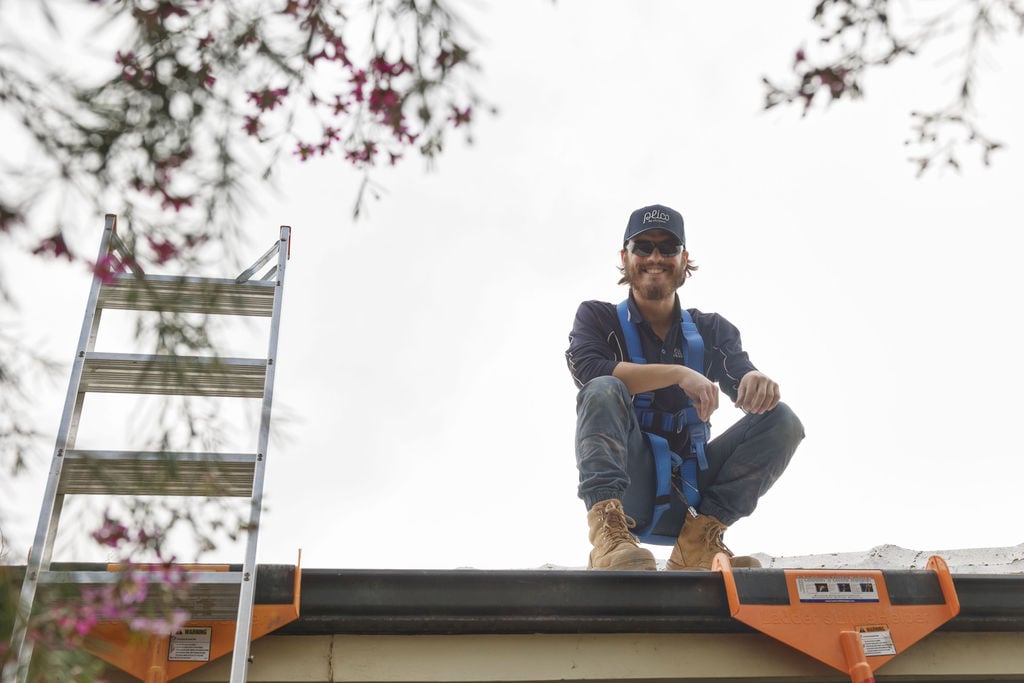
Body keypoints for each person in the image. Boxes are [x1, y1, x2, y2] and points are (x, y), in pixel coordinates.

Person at [565, 204, 804, 571]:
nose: (655, 257)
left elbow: (739, 375)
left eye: (668, 248)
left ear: (684, 258)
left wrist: (755, 382)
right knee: (603, 388)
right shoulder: (597, 318)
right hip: (629, 488)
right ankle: (606, 539)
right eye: (643, 247)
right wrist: (678, 373)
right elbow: (590, 369)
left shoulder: (711, 330)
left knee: (783, 421)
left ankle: (697, 545)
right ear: (625, 256)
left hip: (694, 493)